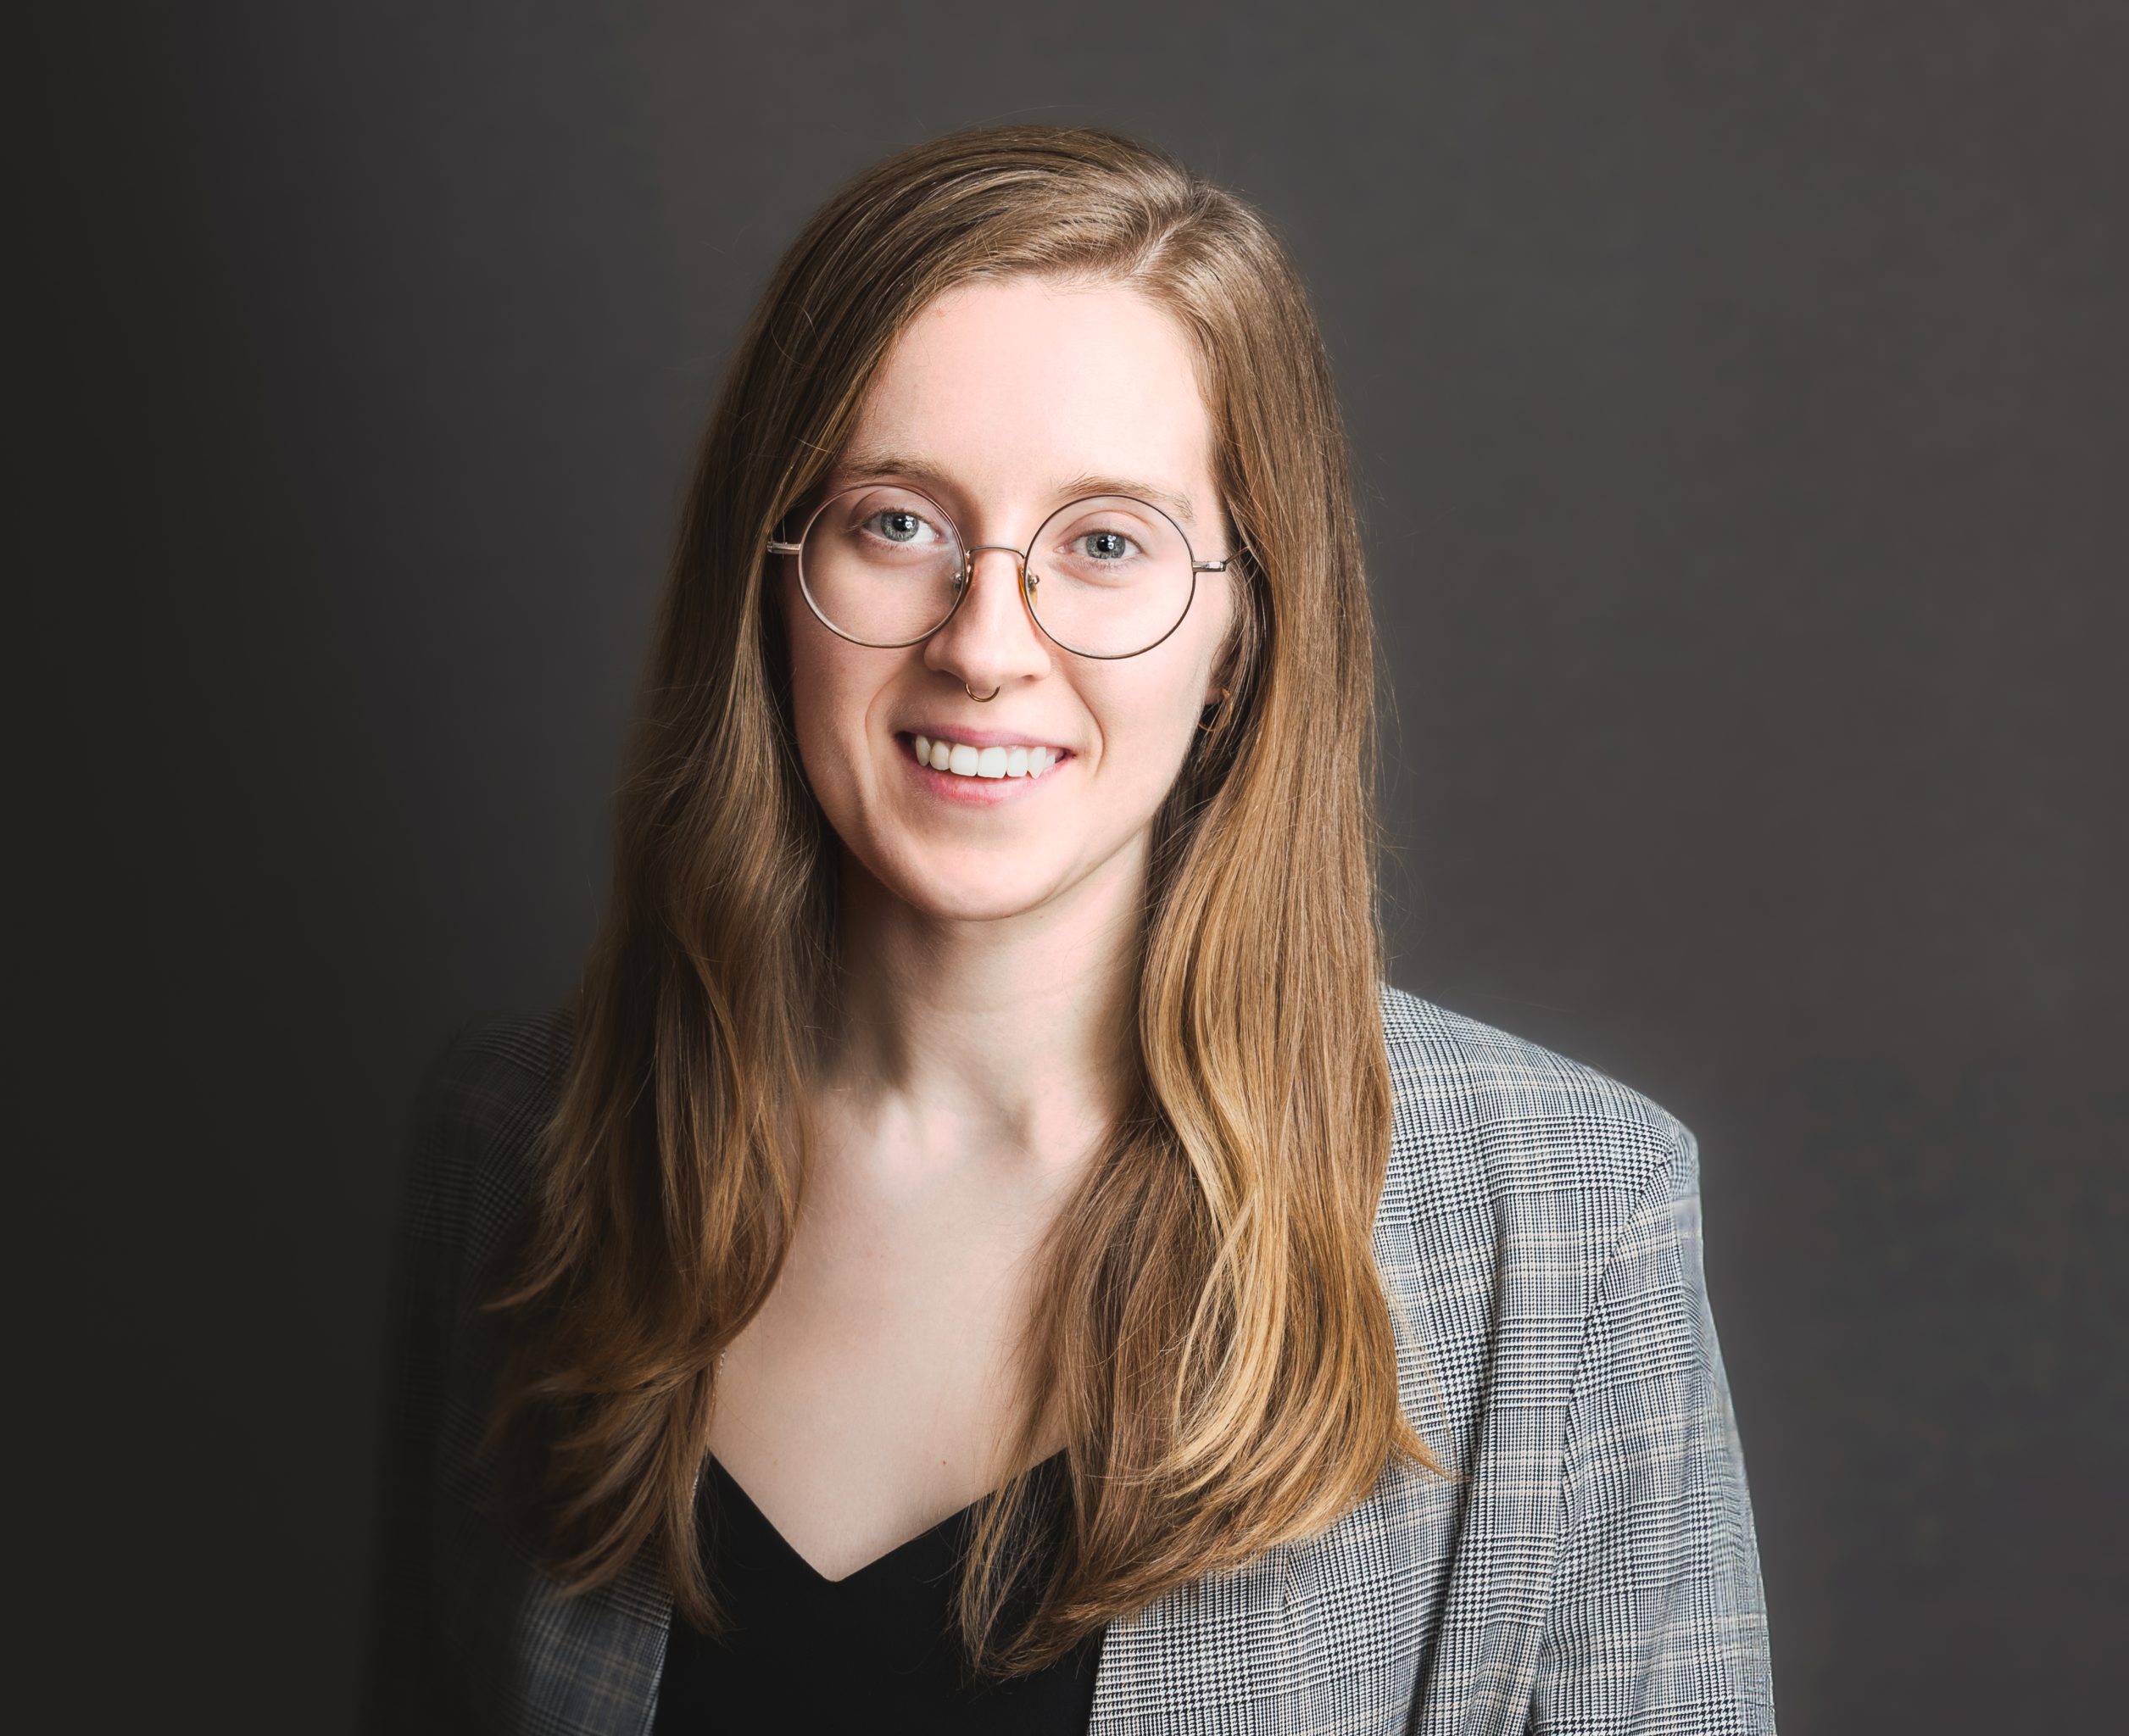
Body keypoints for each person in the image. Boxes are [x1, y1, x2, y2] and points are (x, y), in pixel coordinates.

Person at [355, 125, 1777, 1734]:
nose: (986, 646)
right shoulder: (515, 1145)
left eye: (1106, 544)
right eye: (897, 521)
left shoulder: (1565, 1226)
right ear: (768, 574)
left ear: (1243, 631)